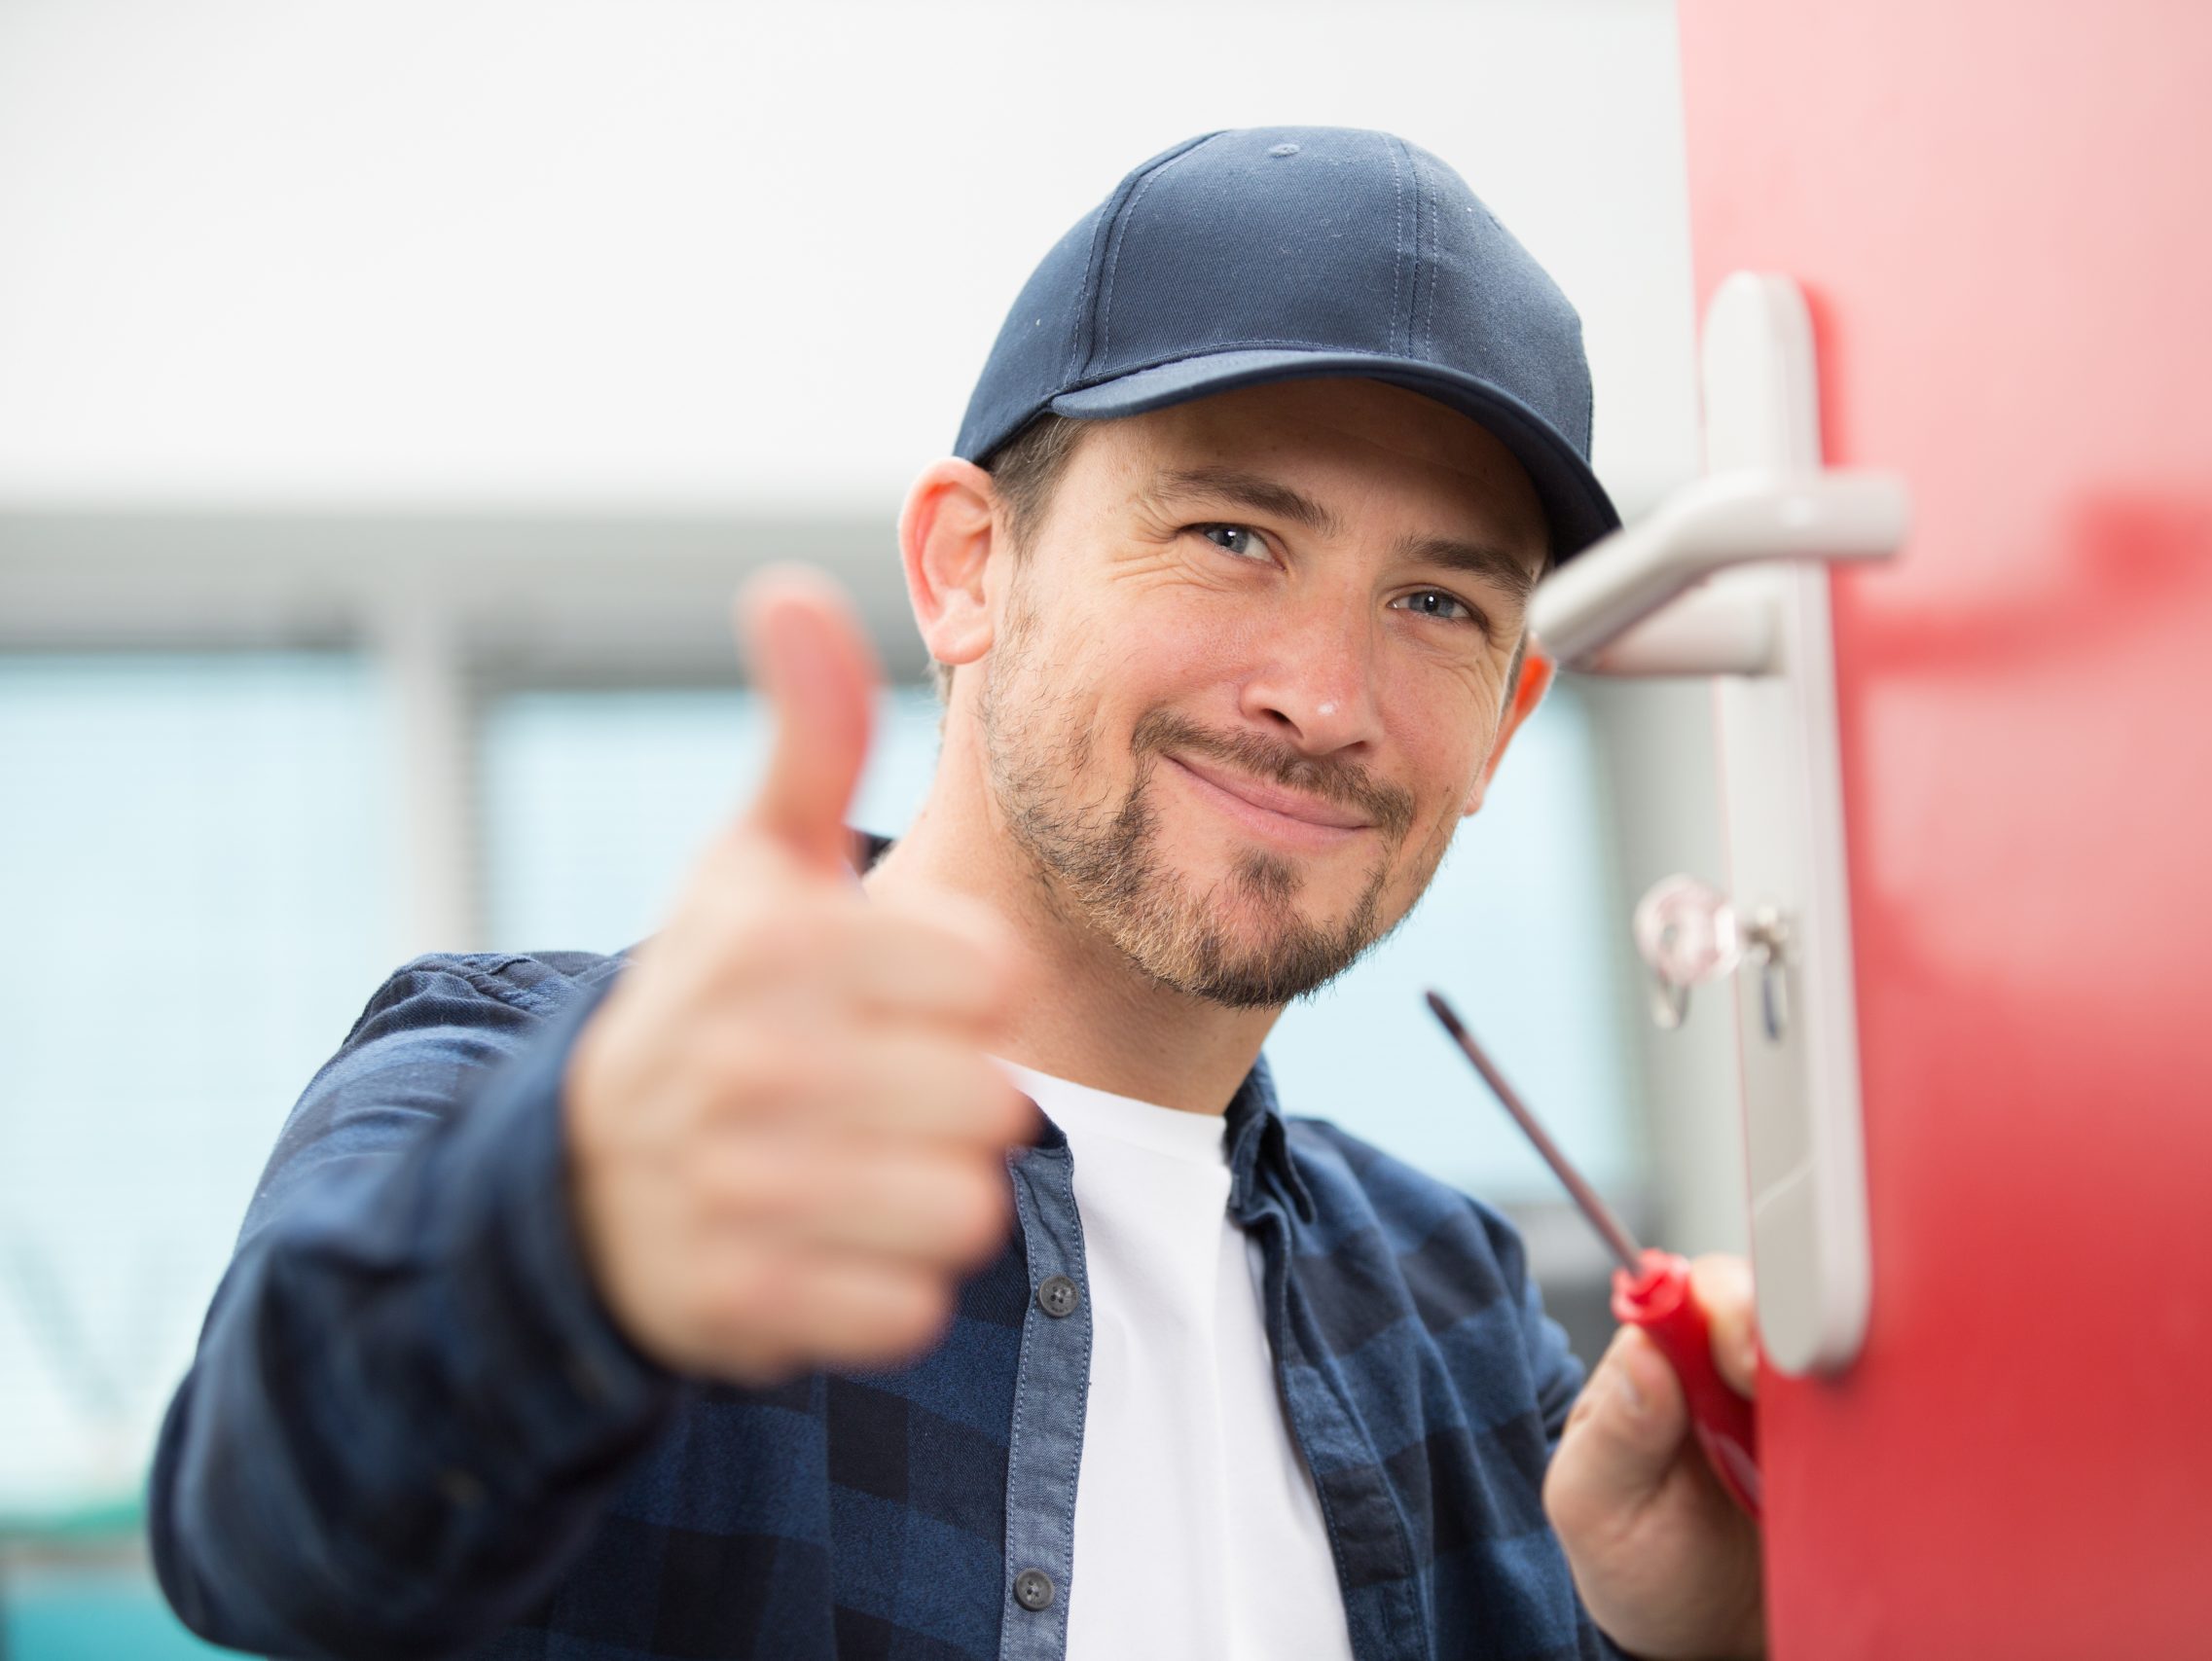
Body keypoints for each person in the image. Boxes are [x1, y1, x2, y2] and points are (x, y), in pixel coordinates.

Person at [148, 126, 1765, 1661]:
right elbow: (265, 1530)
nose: (1326, 693)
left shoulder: (1460, 1315)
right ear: (966, 567)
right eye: (1230, 536)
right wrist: (560, 1244)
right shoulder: (536, 1087)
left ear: (1509, 719)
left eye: (1434, 601)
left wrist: (1692, 1632)